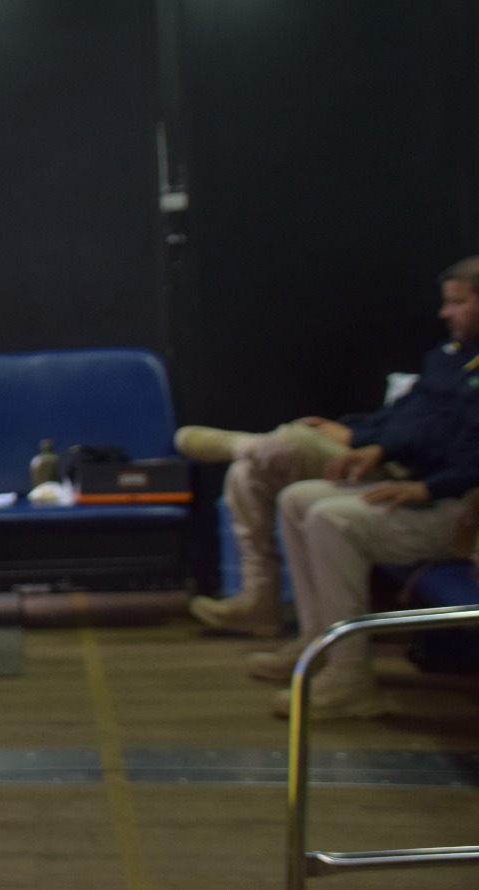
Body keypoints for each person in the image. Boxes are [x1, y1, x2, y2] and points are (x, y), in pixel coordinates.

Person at [175, 258, 479, 716]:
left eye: (457, 302)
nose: (444, 313)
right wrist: (367, 437)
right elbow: (410, 416)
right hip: (415, 475)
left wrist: (423, 485)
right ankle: (317, 644)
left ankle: (350, 678)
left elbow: (462, 450)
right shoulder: (452, 355)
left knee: (328, 514)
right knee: (292, 495)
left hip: (457, 506)